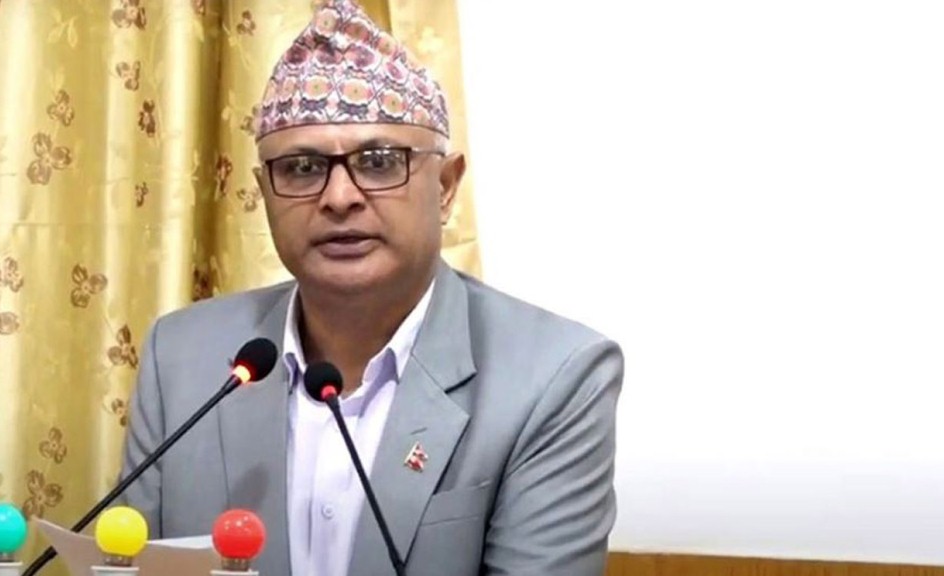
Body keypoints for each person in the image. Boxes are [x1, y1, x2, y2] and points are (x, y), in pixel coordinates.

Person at [120, 1, 625, 574]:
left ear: (445, 186)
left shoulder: (553, 375)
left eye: (380, 162)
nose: (339, 198)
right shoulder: (181, 359)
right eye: (302, 169)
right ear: (265, 193)